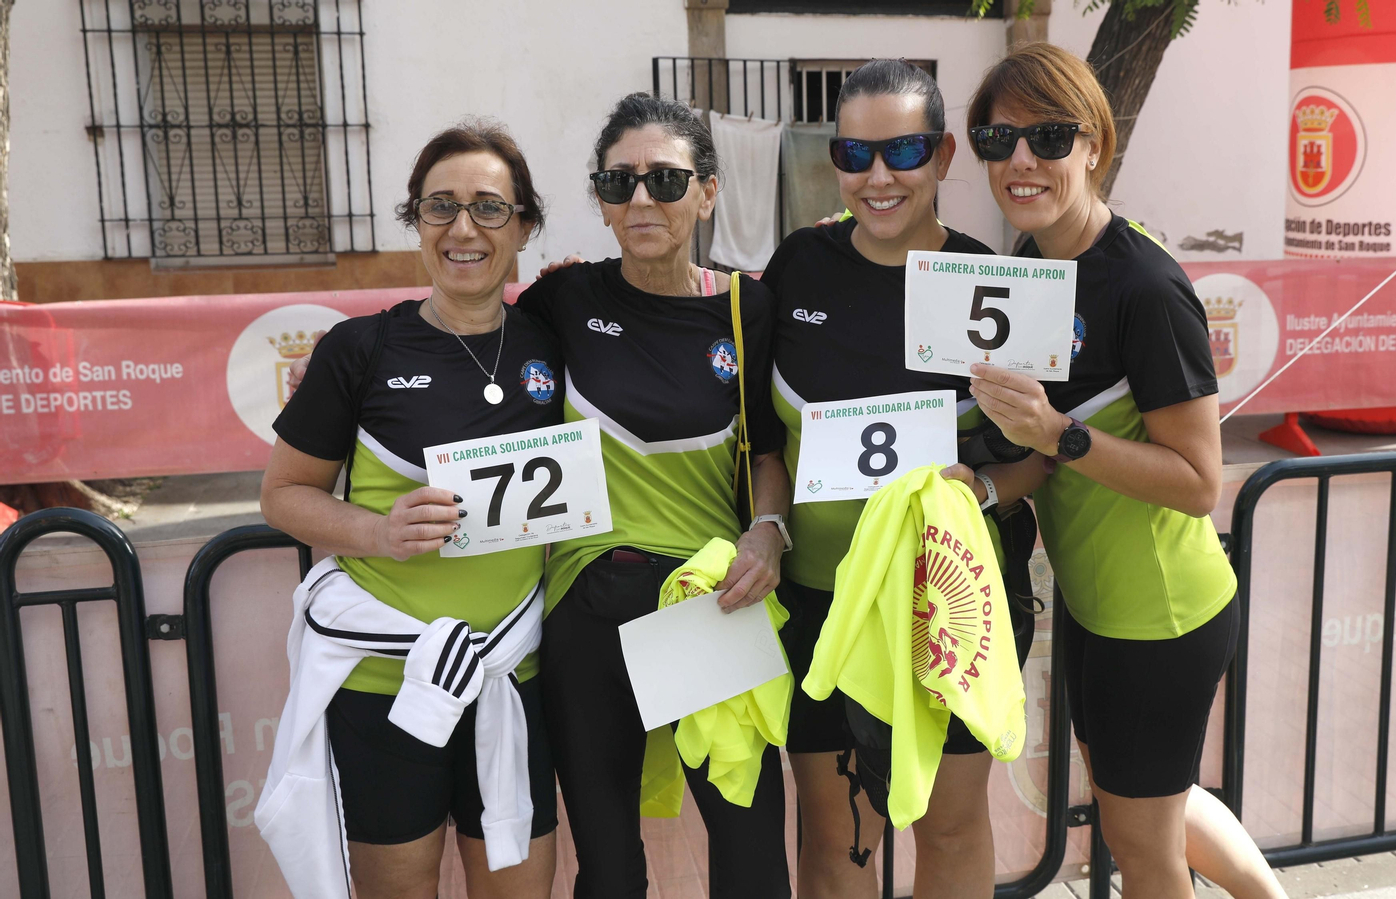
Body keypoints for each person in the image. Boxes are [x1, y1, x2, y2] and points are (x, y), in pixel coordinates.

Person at [962, 44, 1285, 899]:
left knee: (1140, 849)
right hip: (1096, 604)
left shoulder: (1146, 285)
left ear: (1094, 145)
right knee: (1143, 804)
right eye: (999, 140)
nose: (1022, 160)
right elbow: (1039, 452)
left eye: (1048, 136)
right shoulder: (1026, 269)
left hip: (1162, 616)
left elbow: (1198, 480)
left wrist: (1062, 432)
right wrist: (989, 487)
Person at [260, 120, 560, 899]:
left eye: (490, 208)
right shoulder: (360, 350)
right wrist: (376, 531)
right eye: (440, 206)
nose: (464, 228)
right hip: (383, 687)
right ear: (416, 222)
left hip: (511, 676)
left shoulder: (552, 343)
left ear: (524, 225)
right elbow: (282, 494)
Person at [763, 59, 1037, 899]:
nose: (877, 176)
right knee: (840, 837)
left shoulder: (993, 281)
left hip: (948, 606)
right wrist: (767, 528)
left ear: (945, 154)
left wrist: (987, 491)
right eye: (854, 153)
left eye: (904, 150)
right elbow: (765, 439)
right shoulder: (798, 267)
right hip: (821, 604)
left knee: (950, 829)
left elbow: (1045, 451)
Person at [515, 93, 793, 899]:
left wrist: (767, 531)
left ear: (708, 192)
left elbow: (768, 452)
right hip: (585, 603)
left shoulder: (748, 307)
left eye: (667, 181)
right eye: (620, 182)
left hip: (704, 601)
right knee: (607, 864)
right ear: (601, 203)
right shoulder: (562, 302)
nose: (642, 199)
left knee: (750, 856)